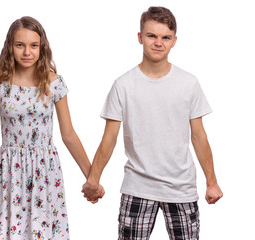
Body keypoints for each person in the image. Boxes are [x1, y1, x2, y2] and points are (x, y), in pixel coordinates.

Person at [0, 16, 104, 240]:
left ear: (41, 47)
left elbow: (69, 136)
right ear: (10, 47)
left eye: (33, 45)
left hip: (44, 170)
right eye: (20, 45)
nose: (27, 52)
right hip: (10, 171)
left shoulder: (54, 83)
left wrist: (92, 179)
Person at [82, 6, 223, 240]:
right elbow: (109, 138)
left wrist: (212, 182)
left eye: (165, 37)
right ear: (140, 37)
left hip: (181, 188)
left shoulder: (188, 83)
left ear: (174, 41)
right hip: (137, 186)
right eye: (152, 36)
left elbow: (199, 136)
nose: (159, 42)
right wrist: (93, 179)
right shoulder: (123, 85)